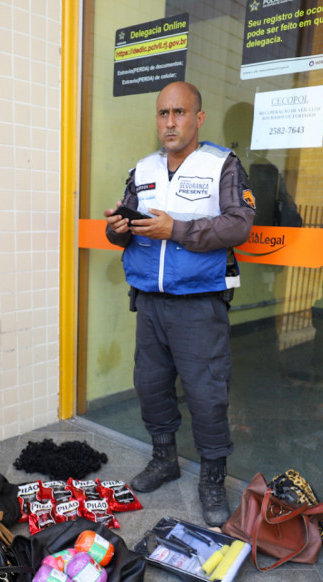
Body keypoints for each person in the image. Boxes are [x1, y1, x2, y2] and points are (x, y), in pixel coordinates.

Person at [104, 82, 255, 526]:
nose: (170, 122)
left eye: (179, 113)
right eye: (163, 114)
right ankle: (164, 459)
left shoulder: (221, 165)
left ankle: (212, 478)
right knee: (150, 386)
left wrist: (178, 231)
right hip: (150, 301)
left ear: (198, 118)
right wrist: (118, 226)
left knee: (206, 394)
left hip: (198, 302)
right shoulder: (144, 168)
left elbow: (238, 225)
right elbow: (120, 231)